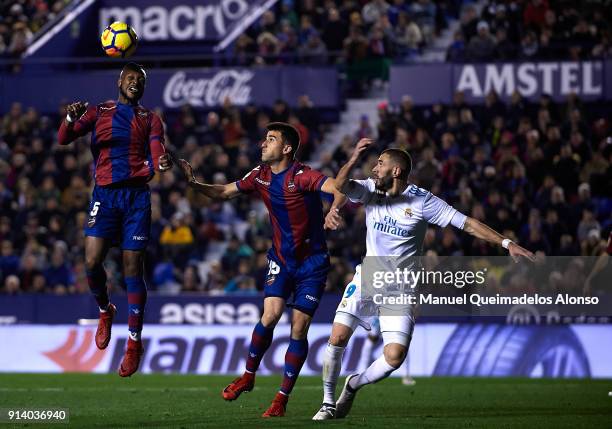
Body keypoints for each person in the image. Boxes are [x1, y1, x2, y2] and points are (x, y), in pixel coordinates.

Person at [313, 139, 535, 420]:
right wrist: (354, 157)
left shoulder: (423, 201)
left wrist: (506, 243)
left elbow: (466, 223)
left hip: (401, 288)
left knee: (394, 358)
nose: (374, 168)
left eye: (380, 163)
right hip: (368, 277)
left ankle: (353, 384)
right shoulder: (371, 190)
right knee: (338, 336)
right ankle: (328, 403)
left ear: (396, 171)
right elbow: (340, 185)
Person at [178, 122, 344, 417]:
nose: (263, 144)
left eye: (271, 139)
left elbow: (336, 187)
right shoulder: (260, 175)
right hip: (280, 259)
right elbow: (224, 192)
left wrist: (334, 209)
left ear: (287, 148)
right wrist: (195, 185)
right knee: (270, 315)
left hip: (312, 264)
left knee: (298, 328)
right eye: (264, 138)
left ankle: (281, 399)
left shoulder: (303, 176)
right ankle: (248, 375)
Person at [57, 62, 172, 377]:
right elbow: (64, 138)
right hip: (105, 196)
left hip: (136, 197)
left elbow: (157, 149)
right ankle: (106, 310)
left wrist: (161, 159)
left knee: (133, 266)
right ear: (119, 81)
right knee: (92, 262)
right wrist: (70, 118)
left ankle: (134, 342)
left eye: (140, 80)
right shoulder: (99, 112)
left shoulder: (150, 119)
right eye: (130, 78)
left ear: (144, 87)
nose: (135, 83)